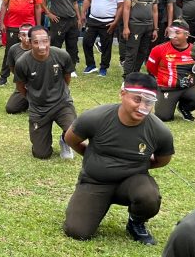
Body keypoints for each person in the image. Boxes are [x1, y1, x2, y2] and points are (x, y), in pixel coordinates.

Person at [62, 72, 174, 245]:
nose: (143, 107)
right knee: (77, 231)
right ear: (122, 94)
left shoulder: (160, 131)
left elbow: (162, 160)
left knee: (149, 196)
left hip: (132, 182)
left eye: (148, 102)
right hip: (95, 182)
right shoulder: (95, 117)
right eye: (137, 100)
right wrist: (92, 156)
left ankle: (135, 222)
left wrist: (135, 166)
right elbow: (71, 139)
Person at [13, 26, 77, 160]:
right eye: (36, 42)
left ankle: (65, 140)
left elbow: (67, 78)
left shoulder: (61, 55)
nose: (41, 46)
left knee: (75, 132)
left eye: (45, 41)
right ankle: (41, 141)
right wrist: (34, 99)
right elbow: (20, 86)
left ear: (49, 40)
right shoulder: (22, 62)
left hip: (62, 104)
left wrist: (61, 93)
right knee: (41, 154)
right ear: (30, 43)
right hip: (39, 109)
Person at [0, 0, 45, 86]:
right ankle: (3, 77)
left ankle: (33, 75)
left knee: (32, 50)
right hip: (12, 24)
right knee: (10, 51)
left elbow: (38, 7)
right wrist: (1, 22)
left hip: (30, 25)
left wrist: (38, 26)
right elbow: (4, 5)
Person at [145, 20, 195, 121]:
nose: (173, 36)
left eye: (177, 32)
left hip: (188, 88)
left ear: (187, 35)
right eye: (171, 32)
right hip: (168, 89)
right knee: (163, 117)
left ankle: (184, 107)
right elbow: (151, 67)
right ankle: (168, 102)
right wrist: (164, 79)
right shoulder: (159, 49)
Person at [81, 0, 123, 76]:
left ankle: (103, 68)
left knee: (106, 46)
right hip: (93, 19)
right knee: (86, 42)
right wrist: (83, 13)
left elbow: (120, 7)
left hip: (108, 22)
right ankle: (90, 65)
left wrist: (115, 22)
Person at [121, 0, 159, 75]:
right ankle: (127, 77)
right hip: (135, 25)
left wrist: (155, 28)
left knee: (143, 52)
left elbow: (155, 10)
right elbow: (126, 8)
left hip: (148, 26)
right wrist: (126, 27)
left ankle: (135, 74)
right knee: (132, 53)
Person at [43, 0, 82, 69]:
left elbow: (75, 3)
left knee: (72, 45)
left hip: (72, 20)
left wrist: (79, 18)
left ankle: (71, 68)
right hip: (59, 21)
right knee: (56, 44)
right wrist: (48, 13)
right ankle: (53, 65)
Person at [3, 24, 34, 114]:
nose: (27, 38)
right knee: (11, 108)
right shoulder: (13, 49)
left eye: (29, 35)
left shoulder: (39, 48)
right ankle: (27, 101)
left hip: (39, 85)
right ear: (19, 36)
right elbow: (12, 68)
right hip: (23, 85)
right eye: (24, 35)